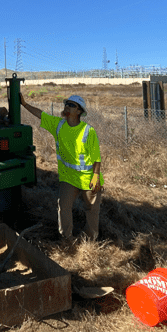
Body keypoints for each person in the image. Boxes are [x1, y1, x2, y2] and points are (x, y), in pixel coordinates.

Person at [20, 93, 104, 242]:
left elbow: (96, 157)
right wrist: (25, 104)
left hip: (88, 177)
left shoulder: (88, 131)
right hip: (69, 177)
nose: (67, 106)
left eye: (72, 105)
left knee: (92, 210)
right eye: (66, 104)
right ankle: (67, 238)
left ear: (79, 111)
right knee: (63, 206)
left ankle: (90, 240)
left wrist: (96, 176)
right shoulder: (58, 125)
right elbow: (41, 115)